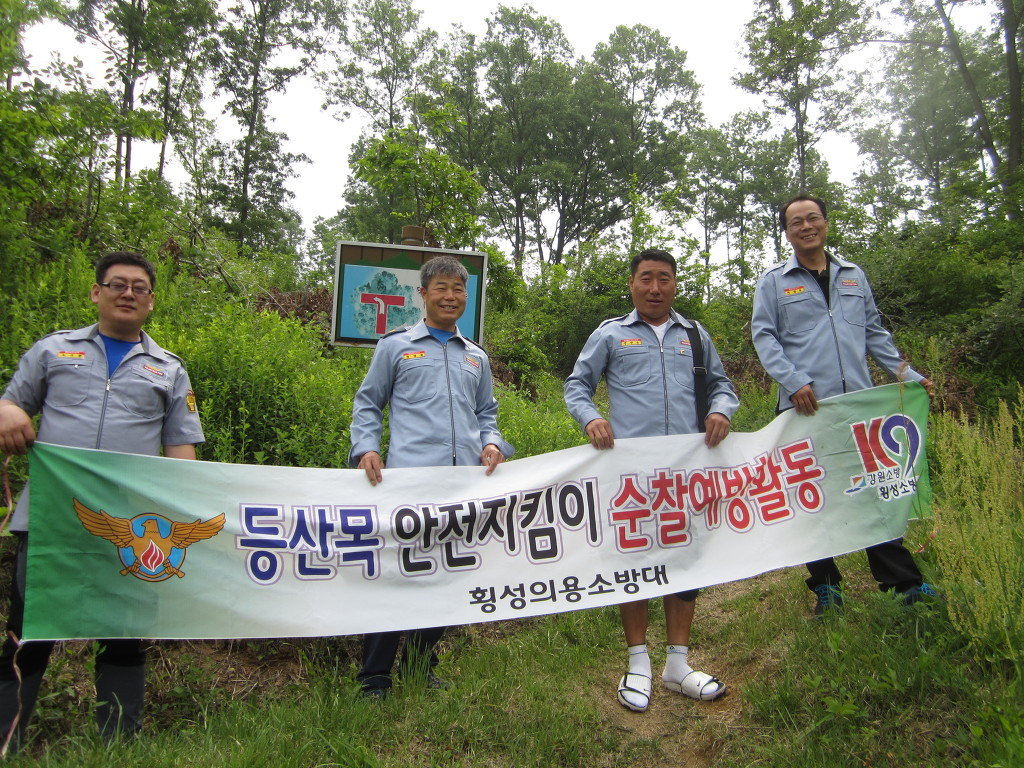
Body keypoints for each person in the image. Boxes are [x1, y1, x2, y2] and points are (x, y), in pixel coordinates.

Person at [0, 251, 205, 750]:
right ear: (97, 292)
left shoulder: (169, 370)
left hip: (131, 528)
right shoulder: (52, 351)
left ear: (151, 301)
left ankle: (118, 746)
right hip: (51, 517)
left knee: (124, 634)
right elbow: (11, 403)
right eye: (117, 284)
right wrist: (6, 411)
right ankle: (9, 740)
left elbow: (182, 450)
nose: (128, 293)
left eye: (139, 287)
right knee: (29, 632)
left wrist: (180, 516)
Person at [564, 248, 738, 713]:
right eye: (646, 278)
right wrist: (590, 418)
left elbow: (721, 385)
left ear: (675, 284)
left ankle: (678, 664)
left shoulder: (695, 335)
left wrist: (722, 410)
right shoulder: (610, 334)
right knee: (634, 561)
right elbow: (577, 385)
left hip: (686, 473)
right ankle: (637, 662)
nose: (655, 288)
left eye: (664, 278)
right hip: (631, 476)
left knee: (686, 560)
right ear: (632, 284)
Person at [751, 194, 937, 616]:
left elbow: (874, 334)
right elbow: (764, 337)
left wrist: (909, 376)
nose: (805, 226)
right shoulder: (774, 282)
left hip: (858, 408)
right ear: (787, 233)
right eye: (796, 222)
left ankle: (904, 584)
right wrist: (795, 382)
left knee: (875, 492)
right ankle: (827, 588)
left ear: (825, 223)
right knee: (812, 500)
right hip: (804, 409)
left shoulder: (853, 275)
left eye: (812, 218)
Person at [349, 255, 513, 700]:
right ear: (423, 294)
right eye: (441, 288)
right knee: (395, 575)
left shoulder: (475, 356)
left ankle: (420, 666)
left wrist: (492, 443)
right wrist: (366, 448)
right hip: (409, 484)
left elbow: (487, 412)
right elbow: (369, 403)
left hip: (463, 487)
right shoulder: (396, 347)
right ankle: (375, 677)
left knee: (445, 576)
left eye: (458, 289)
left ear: (466, 296)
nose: (450, 296)